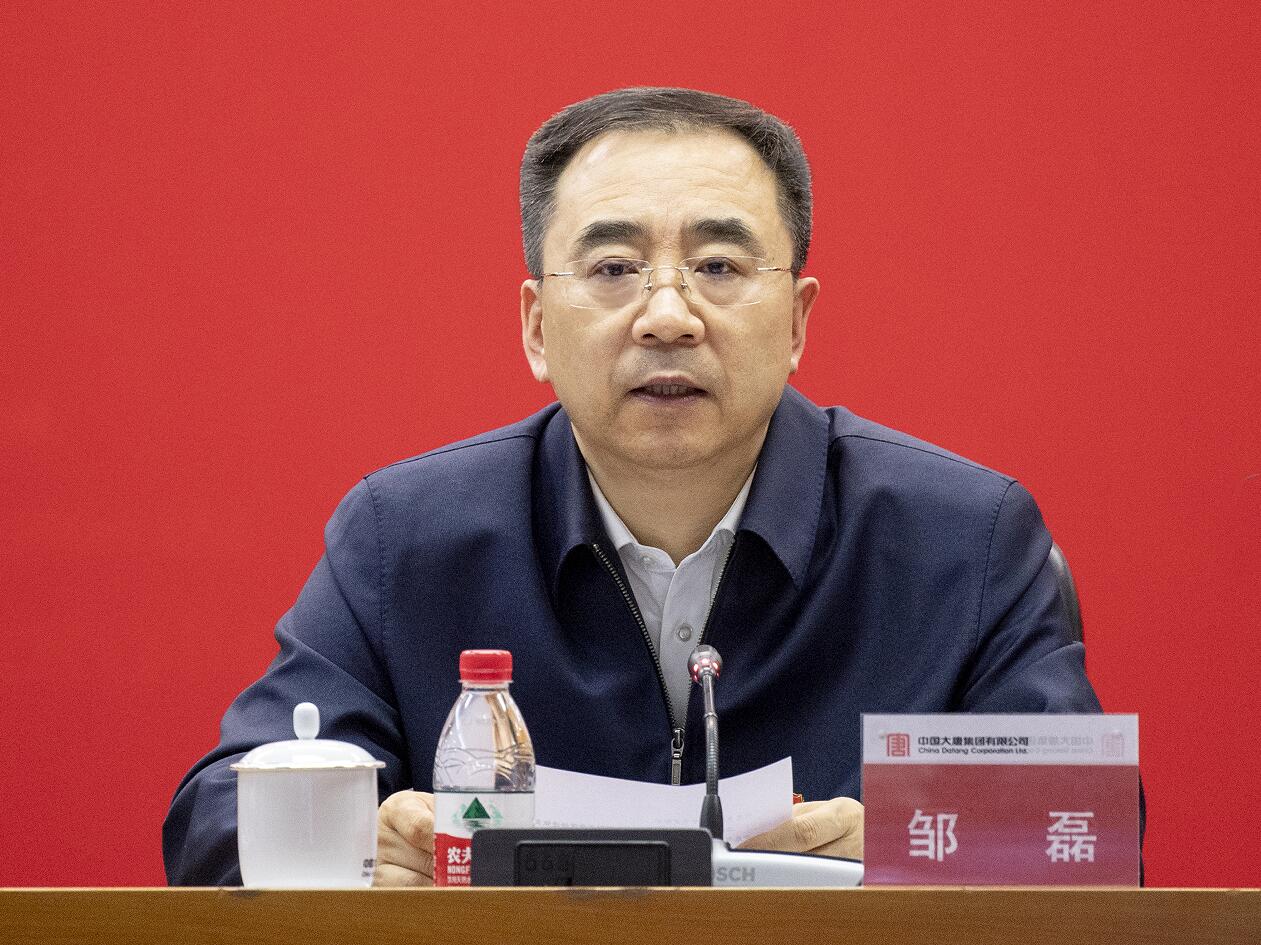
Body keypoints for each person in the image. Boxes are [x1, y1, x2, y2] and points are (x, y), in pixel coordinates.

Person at [163, 87, 1105, 886]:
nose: (666, 315)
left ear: (795, 321)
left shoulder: (965, 538)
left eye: (718, 266)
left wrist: (910, 841)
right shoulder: (403, 539)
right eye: (613, 268)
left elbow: (1090, 834)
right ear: (537, 325)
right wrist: (354, 844)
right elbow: (214, 817)